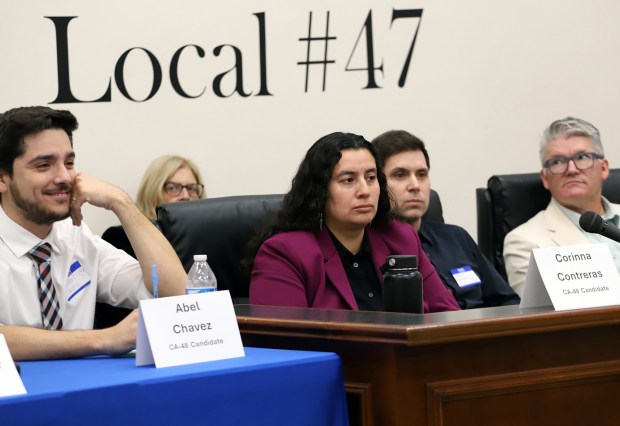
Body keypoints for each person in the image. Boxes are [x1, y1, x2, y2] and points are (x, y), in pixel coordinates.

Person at [0, 106, 186, 360]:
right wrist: (104, 339)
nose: (64, 177)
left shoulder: (75, 236)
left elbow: (177, 295)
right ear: (2, 178)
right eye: (44, 165)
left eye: (69, 163)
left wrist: (120, 203)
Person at [248, 132, 460, 312]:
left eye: (371, 178)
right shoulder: (286, 253)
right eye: (348, 180)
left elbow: (447, 315)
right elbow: (285, 343)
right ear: (320, 191)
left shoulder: (401, 238)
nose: (365, 191)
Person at [372, 130, 520, 309]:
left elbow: (507, 303)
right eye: (400, 175)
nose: (415, 186)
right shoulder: (371, 249)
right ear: (377, 183)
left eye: (421, 174)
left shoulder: (456, 237)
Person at [503, 117, 620, 296]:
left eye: (582, 157)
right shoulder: (524, 242)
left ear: (604, 168)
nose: (571, 169)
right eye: (557, 162)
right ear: (545, 178)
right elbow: (549, 317)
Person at [102, 155, 205, 257]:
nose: (185, 196)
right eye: (173, 188)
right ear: (152, 192)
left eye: (191, 188)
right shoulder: (122, 237)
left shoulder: (207, 237)